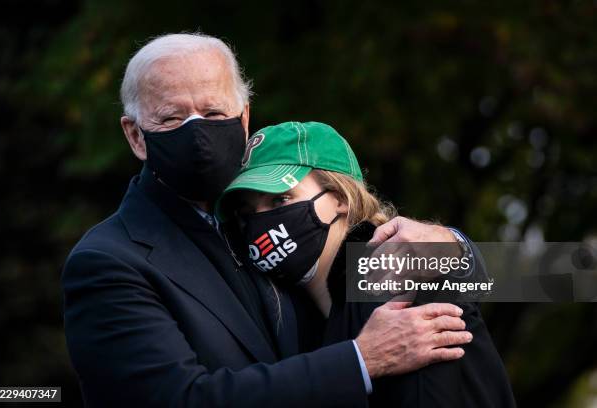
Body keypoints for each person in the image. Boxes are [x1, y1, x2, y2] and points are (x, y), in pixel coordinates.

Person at [62, 33, 474, 407]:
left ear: (243, 120)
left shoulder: (304, 241)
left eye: (213, 111)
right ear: (136, 136)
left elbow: (532, 279)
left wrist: (455, 244)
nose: (198, 133)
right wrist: (361, 361)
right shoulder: (108, 262)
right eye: (171, 118)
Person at [218, 121, 516, 407]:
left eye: (280, 200)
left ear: (340, 198)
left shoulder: (397, 272)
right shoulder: (303, 317)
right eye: (247, 214)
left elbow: (552, 276)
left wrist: (457, 246)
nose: (260, 222)